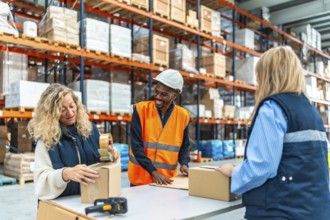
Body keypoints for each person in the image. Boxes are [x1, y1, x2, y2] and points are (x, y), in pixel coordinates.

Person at [216, 46, 330, 219]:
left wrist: (233, 172)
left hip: (281, 210)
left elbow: (262, 167)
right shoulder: (311, 110)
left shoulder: (273, 108)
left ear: (267, 75)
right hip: (315, 209)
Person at [28, 84, 118, 200]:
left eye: (71, 106)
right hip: (61, 205)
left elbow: (104, 157)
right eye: (62, 109)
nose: (70, 113)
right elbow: (41, 182)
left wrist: (112, 154)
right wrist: (65, 174)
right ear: (52, 113)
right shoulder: (46, 141)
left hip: (90, 198)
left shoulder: (91, 131)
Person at [128, 69, 190, 186]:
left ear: (175, 94)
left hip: (167, 181)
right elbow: (136, 146)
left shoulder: (183, 116)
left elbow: (184, 146)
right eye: (156, 92)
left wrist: (184, 163)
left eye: (164, 94)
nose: (158, 97)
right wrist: (153, 171)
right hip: (140, 179)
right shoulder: (141, 110)